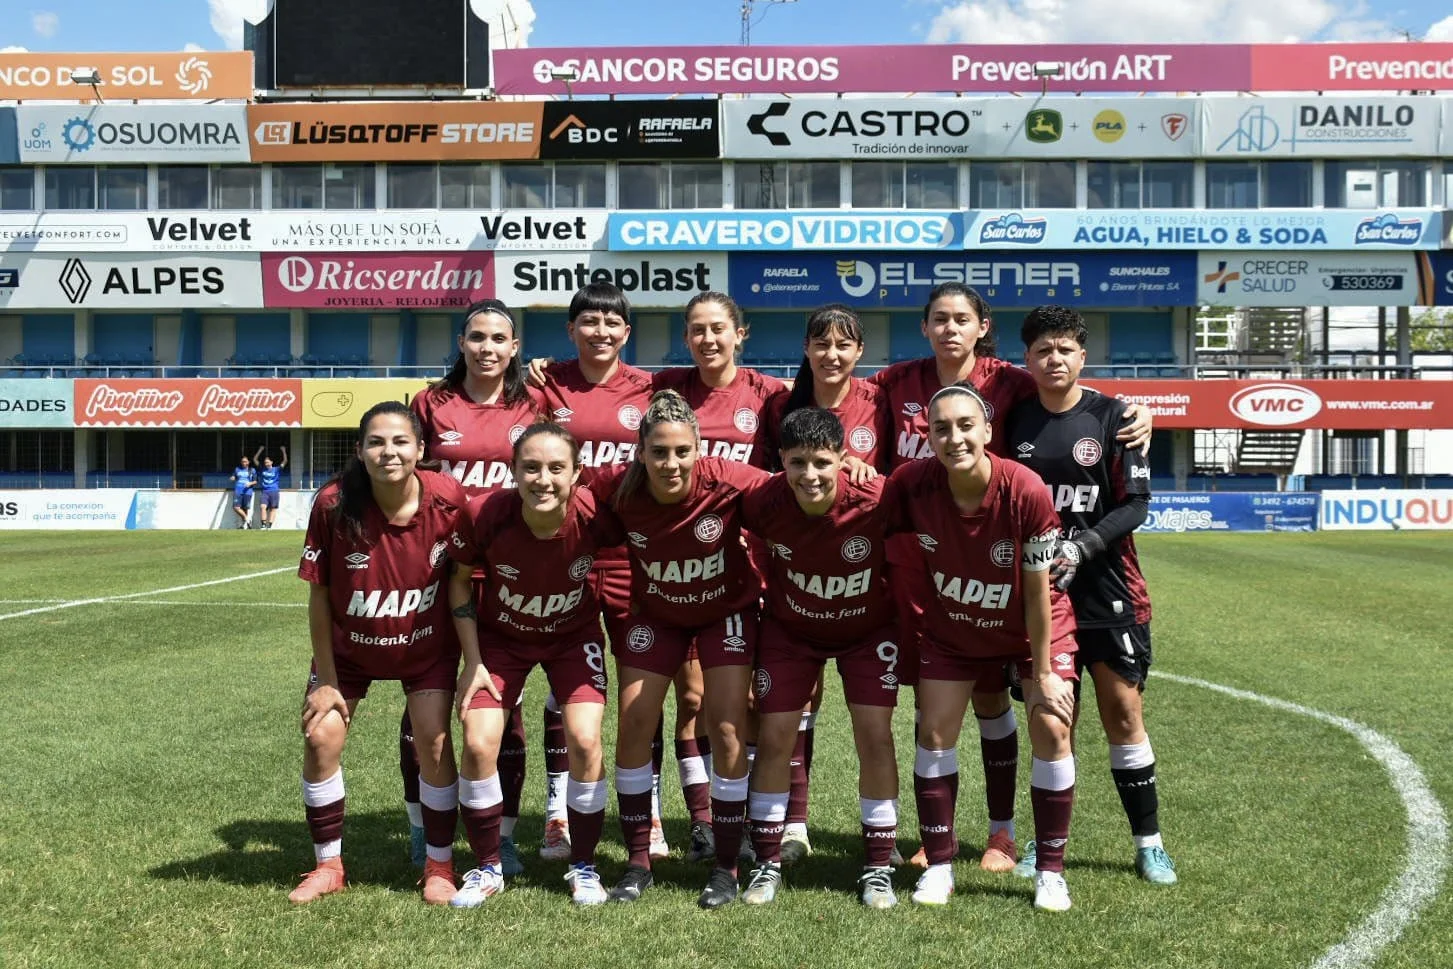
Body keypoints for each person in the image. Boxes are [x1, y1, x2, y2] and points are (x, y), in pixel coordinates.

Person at [871, 282, 1151, 872]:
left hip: (1034, 568)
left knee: (1026, 705)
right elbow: (837, 392)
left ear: (983, 327)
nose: (950, 328)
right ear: (924, 327)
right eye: (939, 318)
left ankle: (1012, 835)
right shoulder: (896, 381)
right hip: (947, 560)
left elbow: (1070, 395)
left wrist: (1134, 411)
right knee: (943, 711)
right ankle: (942, 837)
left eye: (962, 318)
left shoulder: (1011, 383)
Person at [886, 383, 1079, 912]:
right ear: (928, 437)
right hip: (955, 628)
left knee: (1051, 725)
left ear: (988, 431)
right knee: (933, 732)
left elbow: (1038, 593)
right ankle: (940, 867)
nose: (955, 437)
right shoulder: (911, 484)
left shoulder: (1025, 489)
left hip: (1031, 626)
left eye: (966, 425)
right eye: (941, 428)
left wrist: (1044, 672)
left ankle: (1050, 872)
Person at [1006, 305, 1176, 886]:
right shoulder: (1013, 420)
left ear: (1083, 356)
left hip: (1108, 588)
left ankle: (1149, 844)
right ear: (1027, 359)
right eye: (1042, 350)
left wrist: (1083, 547)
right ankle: (1045, 842)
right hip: (1040, 592)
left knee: (1123, 713)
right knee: (1054, 719)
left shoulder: (1116, 417)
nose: (1053, 359)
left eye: (1064, 349)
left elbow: (1136, 503)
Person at [590, 390, 768, 909]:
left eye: (682, 451)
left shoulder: (728, 479)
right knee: (634, 721)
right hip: (657, 615)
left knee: (728, 726)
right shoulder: (617, 487)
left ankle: (726, 866)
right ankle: (637, 862)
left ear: (699, 449)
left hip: (724, 612)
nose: (671, 463)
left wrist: (851, 470)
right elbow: (566, 493)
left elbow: (792, 491)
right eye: (659, 452)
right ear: (640, 452)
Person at [290, 400, 468, 906]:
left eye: (400, 441)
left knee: (434, 743)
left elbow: (462, 580)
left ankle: (439, 865)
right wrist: (326, 679)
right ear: (360, 450)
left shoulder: (448, 498)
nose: (388, 452)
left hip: (425, 647)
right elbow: (320, 595)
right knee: (320, 738)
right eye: (376, 442)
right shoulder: (332, 504)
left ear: (421, 449)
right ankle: (328, 866)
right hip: (348, 653)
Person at [446, 423, 614, 907]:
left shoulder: (596, 516)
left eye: (557, 468)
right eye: (532, 468)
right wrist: (473, 660)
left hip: (572, 639)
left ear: (577, 473)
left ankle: (584, 866)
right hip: (502, 641)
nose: (544, 479)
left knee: (585, 740)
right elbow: (459, 580)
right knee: (478, 742)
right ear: (513, 471)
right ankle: (487, 868)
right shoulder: (483, 514)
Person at [738, 407, 901, 908]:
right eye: (798, 462)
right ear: (782, 462)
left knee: (874, 736)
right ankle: (767, 861)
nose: (810, 475)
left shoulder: (878, 497)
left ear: (842, 460)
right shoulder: (764, 501)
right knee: (774, 738)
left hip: (867, 633)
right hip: (791, 633)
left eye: (822, 462)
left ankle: (878, 866)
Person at [527, 283, 668, 862]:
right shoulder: (545, 385)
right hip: (568, 557)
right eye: (589, 321)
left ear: (627, 332)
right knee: (564, 689)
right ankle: (557, 812)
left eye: (612, 322)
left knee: (643, 689)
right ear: (571, 329)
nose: (601, 331)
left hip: (635, 558)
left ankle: (650, 810)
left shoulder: (651, 388)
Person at [405, 299, 544, 874]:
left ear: (515, 348)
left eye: (499, 339)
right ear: (461, 342)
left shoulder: (535, 403)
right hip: (439, 572)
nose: (488, 348)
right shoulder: (429, 404)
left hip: (508, 575)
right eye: (477, 337)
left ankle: (502, 835)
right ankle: (422, 828)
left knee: (503, 710)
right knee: (425, 708)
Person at [649, 291, 783, 864]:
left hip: (749, 564)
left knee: (749, 703)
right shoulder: (664, 388)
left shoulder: (769, 394)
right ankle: (704, 824)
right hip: (685, 565)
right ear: (686, 337)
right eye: (697, 330)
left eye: (718, 328)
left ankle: (759, 820)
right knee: (693, 698)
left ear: (739, 334)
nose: (708, 339)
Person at [759, 304, 893, 862]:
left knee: (875, 723)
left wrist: (865, 473)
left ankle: (885, 842)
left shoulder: (882, 400)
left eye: (843, 344)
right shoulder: (778, 404)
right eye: (821, 343)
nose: (831, 354)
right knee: (794, 707)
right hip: (797, 567)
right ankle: (793, 824)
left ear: (859, 351)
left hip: (862, 574)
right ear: (806, 349)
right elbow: (763, 482)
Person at [253, 445, 288, 530]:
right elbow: (255, 460)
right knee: (263, 507)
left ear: (271, 462)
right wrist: (260, 450)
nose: (266, 464)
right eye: (265, 462)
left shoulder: (277, 469)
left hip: (274, 491)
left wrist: (283, 451)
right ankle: (263, 525)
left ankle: (270, 526)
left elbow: (285, 461)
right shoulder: (262, 469)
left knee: (273, 508)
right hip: (265, 491)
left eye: (268, 462)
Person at [229, 454, 256, 529]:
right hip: (238, 490)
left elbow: (255, 481)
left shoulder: (252, 470)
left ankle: (244, 525)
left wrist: (250, 483)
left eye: (245, 461)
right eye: (243, 461)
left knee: (245, 509)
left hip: (248, 491)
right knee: (236, 507)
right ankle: (248, 520)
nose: (244, 463)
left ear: (248, 462)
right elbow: (234, 476)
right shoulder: (237, 469)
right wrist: (232, 478)